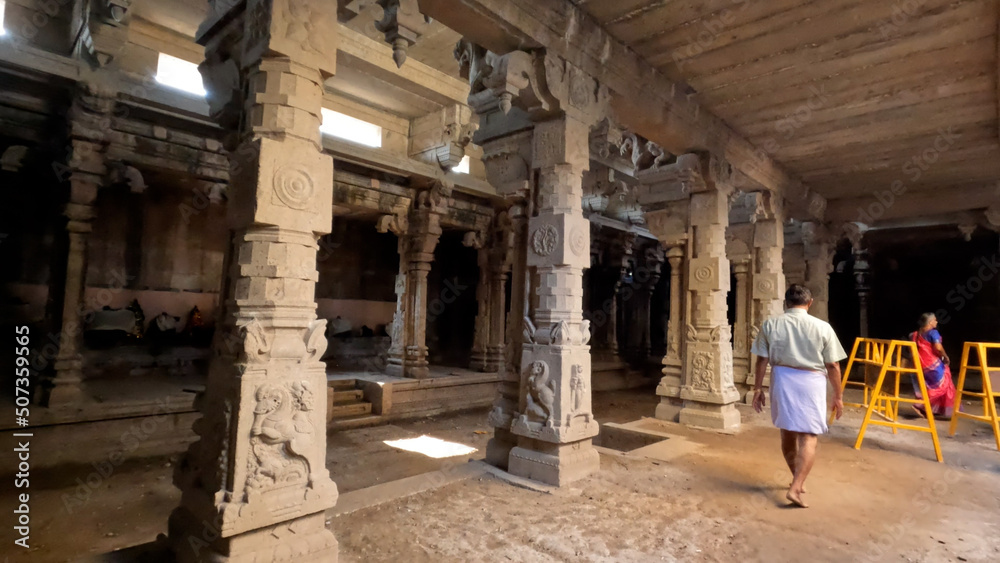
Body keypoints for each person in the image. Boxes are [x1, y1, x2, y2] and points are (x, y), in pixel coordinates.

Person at [751, 284, 847, 508]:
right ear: (810, 303)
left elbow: (761, 360)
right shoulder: (822, 327)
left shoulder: (771, 324)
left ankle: (797, 477)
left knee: (787, 433)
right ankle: (796, 486)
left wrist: (758, 389)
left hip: (783, 380)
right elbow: (832, 365)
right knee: (809, 436)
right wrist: (838, 396)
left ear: (786, 303)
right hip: (811, 382)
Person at [909, 313, 956, 418]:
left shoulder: (914, 335)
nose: (936, 322)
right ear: (930, 322)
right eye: (935, 320)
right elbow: (938, 347)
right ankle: (920, 404)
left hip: (920, 365)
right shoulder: (933, 333)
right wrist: (945, 356)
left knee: (929, 386)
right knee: (943, 384)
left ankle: (929, 409)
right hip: (932, 364)